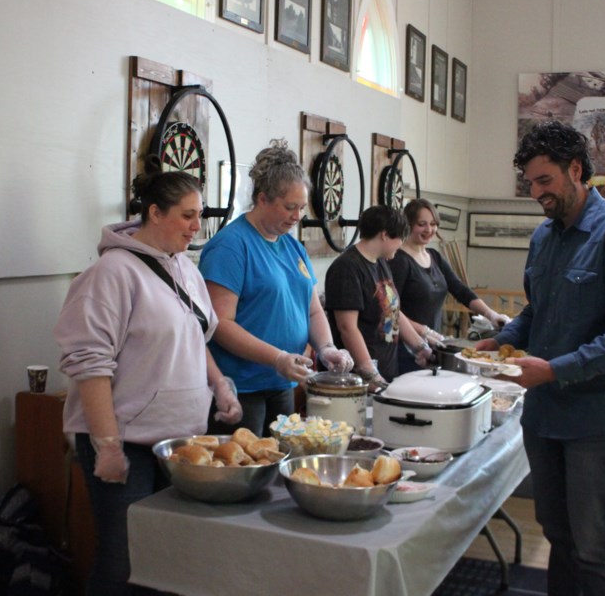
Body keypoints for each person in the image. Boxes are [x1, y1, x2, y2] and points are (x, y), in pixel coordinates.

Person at [478, 120, 605, 596]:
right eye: (531, 183)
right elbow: (540, 312)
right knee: (558, 536)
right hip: (545, 417)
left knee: (593, 544)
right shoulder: (544, 237)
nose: (536, 192)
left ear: (576, 170)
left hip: (599, 420)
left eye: (545, 181)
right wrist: (501, 340)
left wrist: (556, 368)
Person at [54, 170, 242, 595]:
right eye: (188, 216)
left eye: (200, 216)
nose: (197, 227)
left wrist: (219, 384)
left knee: (166, 558)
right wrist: (107, 445)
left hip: (179, 442)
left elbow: (197, 335)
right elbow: (90, 366)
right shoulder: (110, 274)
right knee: (123, 561)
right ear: (155, 213)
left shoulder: (185, 269)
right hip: (127, 444)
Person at [199, 139, 353, 436]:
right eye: (289, 207)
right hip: (242, 386)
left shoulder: (293, 248)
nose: (296, 217)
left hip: (283, 381)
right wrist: (277, 357)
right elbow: (220, 324)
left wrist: (327, 347)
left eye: (301, 208)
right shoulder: (231, 247)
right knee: (247, 472)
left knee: (279, 468)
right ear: (262, 199)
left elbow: (312, 311)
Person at [389, 198, 512, 374]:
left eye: (433, 224)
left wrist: (491, 315)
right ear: (409, 225)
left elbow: (460, 290)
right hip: (407, 346)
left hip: (433, 344)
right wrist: (424, 332)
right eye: (422, 224)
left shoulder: (434, 256)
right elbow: (392, 310)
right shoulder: (399, 261)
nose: (429, 230)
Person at [325, 205, 434, 390]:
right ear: (384, 235)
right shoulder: (347, 268)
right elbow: (347, 327)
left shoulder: (382, 262)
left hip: (387, 370)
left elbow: (393, 311)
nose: (401, 245)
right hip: (358, 381)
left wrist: (420, 347)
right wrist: (370, 373)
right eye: (400, 238)